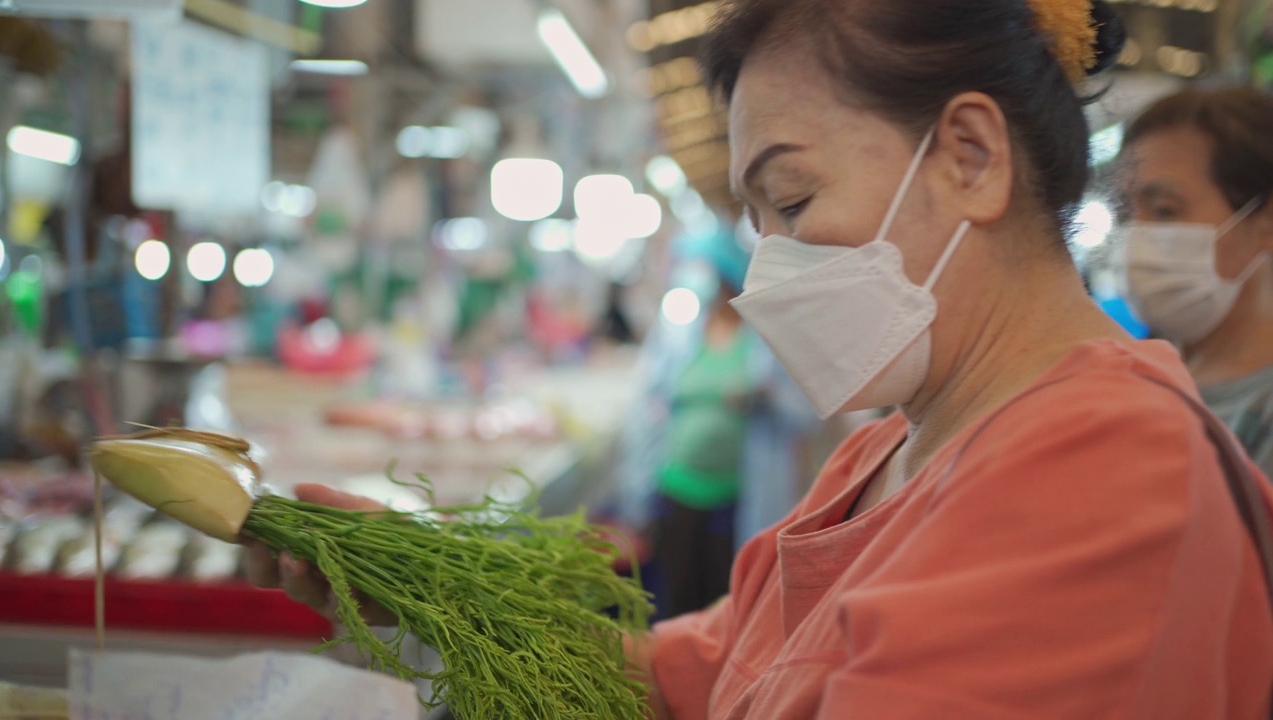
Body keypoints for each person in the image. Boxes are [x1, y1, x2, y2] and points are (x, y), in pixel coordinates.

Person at [249, 1, 1273, 717]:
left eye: (789, 203)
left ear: (969, 156)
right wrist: (431, 599)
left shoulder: (1104, 467)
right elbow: (701, 677)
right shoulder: (880, 455)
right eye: (756, 225)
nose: (770, 269)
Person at [617, 230, 818, 618]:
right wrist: (634, 495)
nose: (693, 277)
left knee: (729, 601)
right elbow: (646, 407)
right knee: (677, 598)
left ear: (726, 273)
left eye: (701, 267)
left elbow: (805, 414)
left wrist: (765, 396)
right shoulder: (677, 333)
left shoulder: (762, 339)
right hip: (677, 487)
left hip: (739, 493)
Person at [1116, 87, 1273, 477]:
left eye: (1165, 210)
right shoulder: (1130, 379)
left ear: (1266, 222)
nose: (1137, 233)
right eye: (1126, 211)